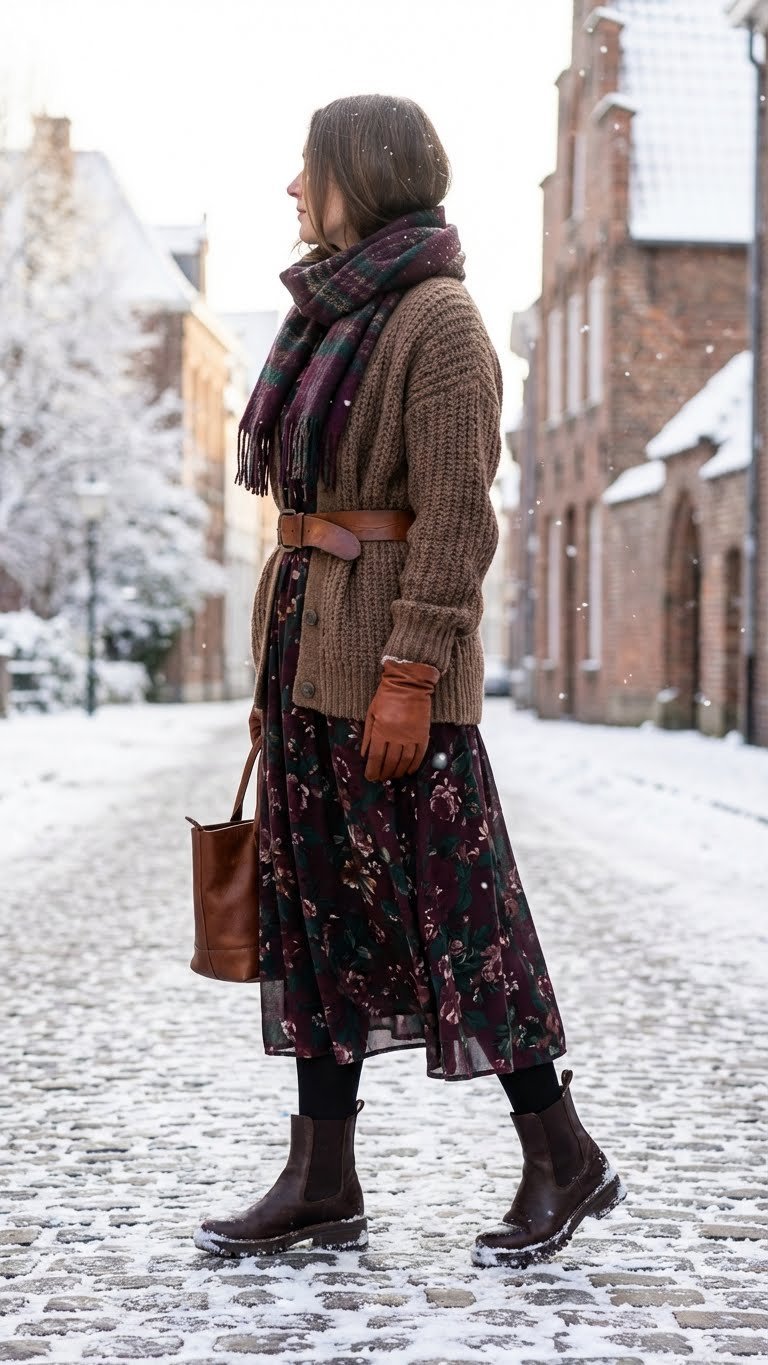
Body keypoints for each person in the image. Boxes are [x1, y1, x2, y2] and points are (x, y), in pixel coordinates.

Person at [194, 93, 625, 1269]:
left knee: (460, 916)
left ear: (362, 175)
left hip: (393, 678)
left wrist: (407, 674)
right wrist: (273, 674)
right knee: (315, 919)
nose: (291, 189)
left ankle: (562, 1153)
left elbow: (453, 523)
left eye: (307, 169)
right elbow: (302, 518)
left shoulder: (440, 322)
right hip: (304, 660)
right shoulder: (320, 317)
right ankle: (322, 1176)